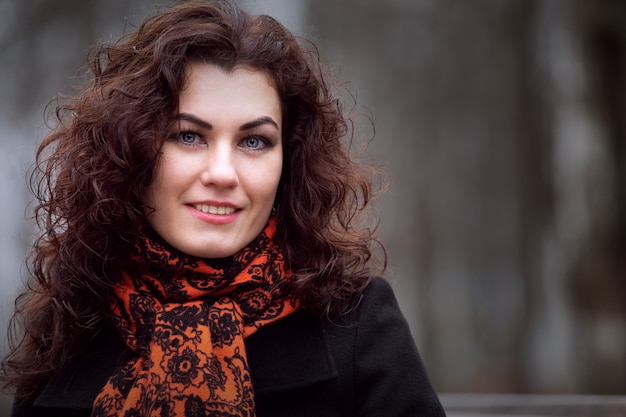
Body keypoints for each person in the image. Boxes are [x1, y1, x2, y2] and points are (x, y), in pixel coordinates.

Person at [1, 1, 446, 416]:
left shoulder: (357, 324)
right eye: (188, 136)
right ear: (130, 151)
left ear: (288, 163)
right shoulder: (72, 318)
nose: (222, 173)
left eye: (254, 141)